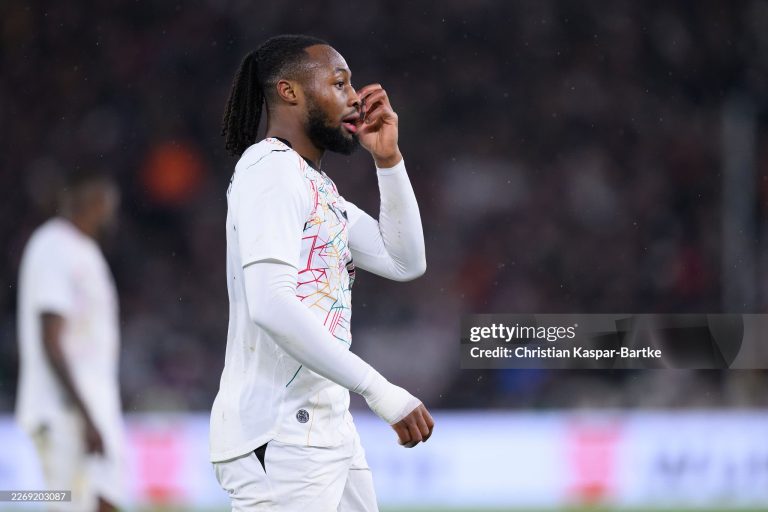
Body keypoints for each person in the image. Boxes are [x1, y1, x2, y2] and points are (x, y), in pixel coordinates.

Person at [210, 34, 434, 511]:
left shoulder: (317, 188)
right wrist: (379, 390)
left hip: (326, 427)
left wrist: (388, 160)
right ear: (289, 91)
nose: (355, 97)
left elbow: (406, 261)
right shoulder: (268, 171)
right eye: (339, 83)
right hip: (280, 432)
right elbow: (271, 304)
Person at [16, 168, 123, 512]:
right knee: (69, 504)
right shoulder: (53, 245)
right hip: (63, 411)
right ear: (90, 200)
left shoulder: (86, 251)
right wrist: (86, 416)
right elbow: (51, 339)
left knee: (107, 500)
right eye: (107, 204)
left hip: (93, 407)